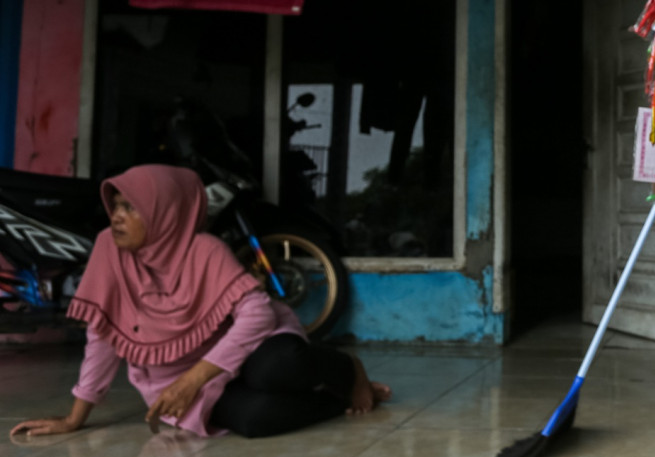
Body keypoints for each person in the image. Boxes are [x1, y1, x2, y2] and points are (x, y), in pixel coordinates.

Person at [9, 164, 389, 440]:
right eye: (117, 206)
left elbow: (256, 315)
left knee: (278, 368)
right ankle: (335, 400)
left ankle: (346, 368)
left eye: (131, 207)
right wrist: (75, 417)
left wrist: (194, 379)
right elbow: (104, 335)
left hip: (245, 352)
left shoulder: (204, 249)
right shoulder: (110, 251)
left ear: (166, 212)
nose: (117, 218)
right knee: (256, 421)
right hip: (180, 378)